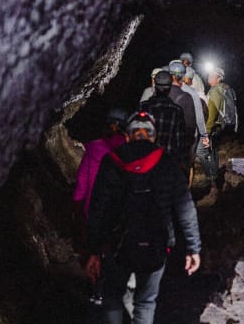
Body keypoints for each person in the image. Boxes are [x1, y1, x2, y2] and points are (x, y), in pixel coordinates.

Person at [86, 111, 201, 324]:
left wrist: (93, 250)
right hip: (156, 245)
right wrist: (193, 249)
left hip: (117, 246)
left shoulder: (111, 162)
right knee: (145, 303)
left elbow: (98, 209)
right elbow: (185, 207)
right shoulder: (167, 162)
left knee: (112, 298)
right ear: (153, 136)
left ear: (127, 136)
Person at [73, 108, 129, 219]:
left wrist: (77, 205)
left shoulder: (94, 147)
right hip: (119, 215)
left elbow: (82, 179)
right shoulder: (131, 151)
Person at [140, 70, 187, 167]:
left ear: (155, 87)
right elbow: (180, 142)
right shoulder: (177, 111)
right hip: (166, 162)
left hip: (145, 160)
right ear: (169, 88)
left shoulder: (143, 107)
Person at [167, 60, 197, 174]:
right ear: (183, 76)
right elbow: (191, 125)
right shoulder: (189, 95)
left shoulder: (160, 91)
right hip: (181, 145)